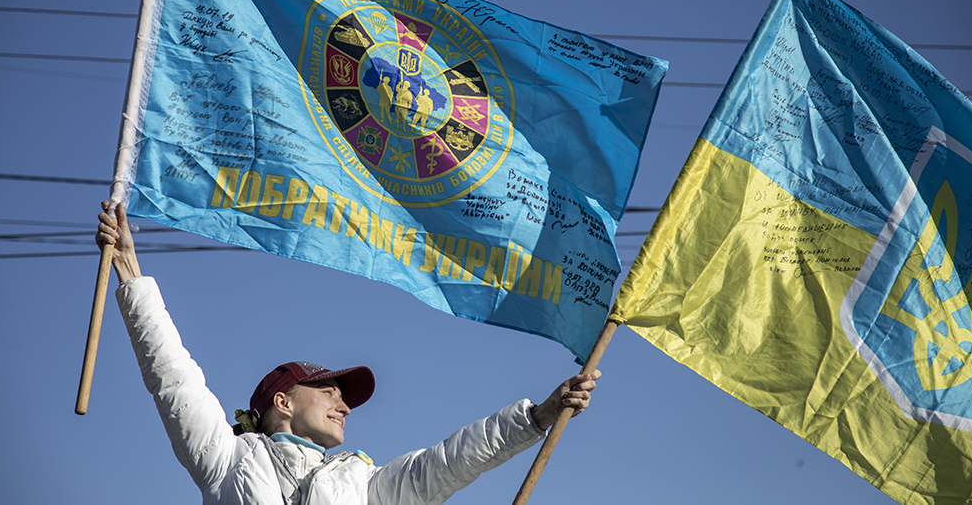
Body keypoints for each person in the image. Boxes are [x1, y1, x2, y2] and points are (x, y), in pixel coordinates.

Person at [96, 200, 601, 505]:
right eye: (329, 391)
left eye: (343, 398)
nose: (345, 406)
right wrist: (130, 274)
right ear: (283, 402)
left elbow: (447, 462)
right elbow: (174, 378)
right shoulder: (226, 459)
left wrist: (537, 417)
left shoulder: (364, 485)